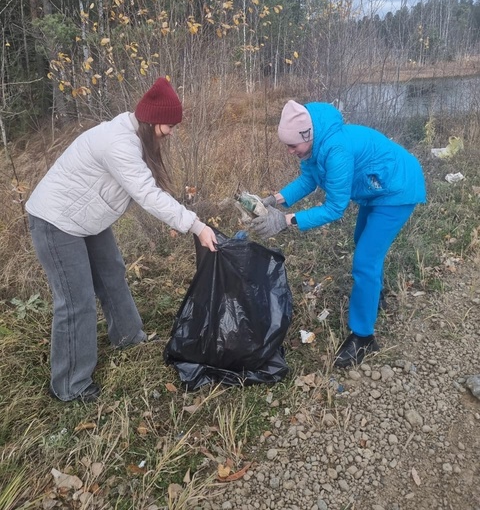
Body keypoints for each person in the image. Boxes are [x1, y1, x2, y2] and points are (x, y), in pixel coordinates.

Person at [26, 77, 217, 402]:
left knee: (112, 273)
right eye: (168, 125)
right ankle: (70, 386)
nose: (170, 132)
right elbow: (146, 193)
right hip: (56, 221)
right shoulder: (119, 143)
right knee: (76, 302)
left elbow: (151, 191)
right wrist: (195, 225)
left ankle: (129, 338)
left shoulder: (136, 138)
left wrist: (180, 218)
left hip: (86, 220)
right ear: (151, 120)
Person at [251, 100, 426, 368]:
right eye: (286, 145)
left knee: (365, 260)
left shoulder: (336, 149)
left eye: (292, 145)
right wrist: (275, 200)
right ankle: (375, 294)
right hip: (375, 186)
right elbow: (308, 180)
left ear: (307, 135)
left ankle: (364, 337)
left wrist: (286, 221)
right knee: (363, 245)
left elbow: (334, 208)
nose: (289, 151)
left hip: (396, 188)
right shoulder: (314, 147)